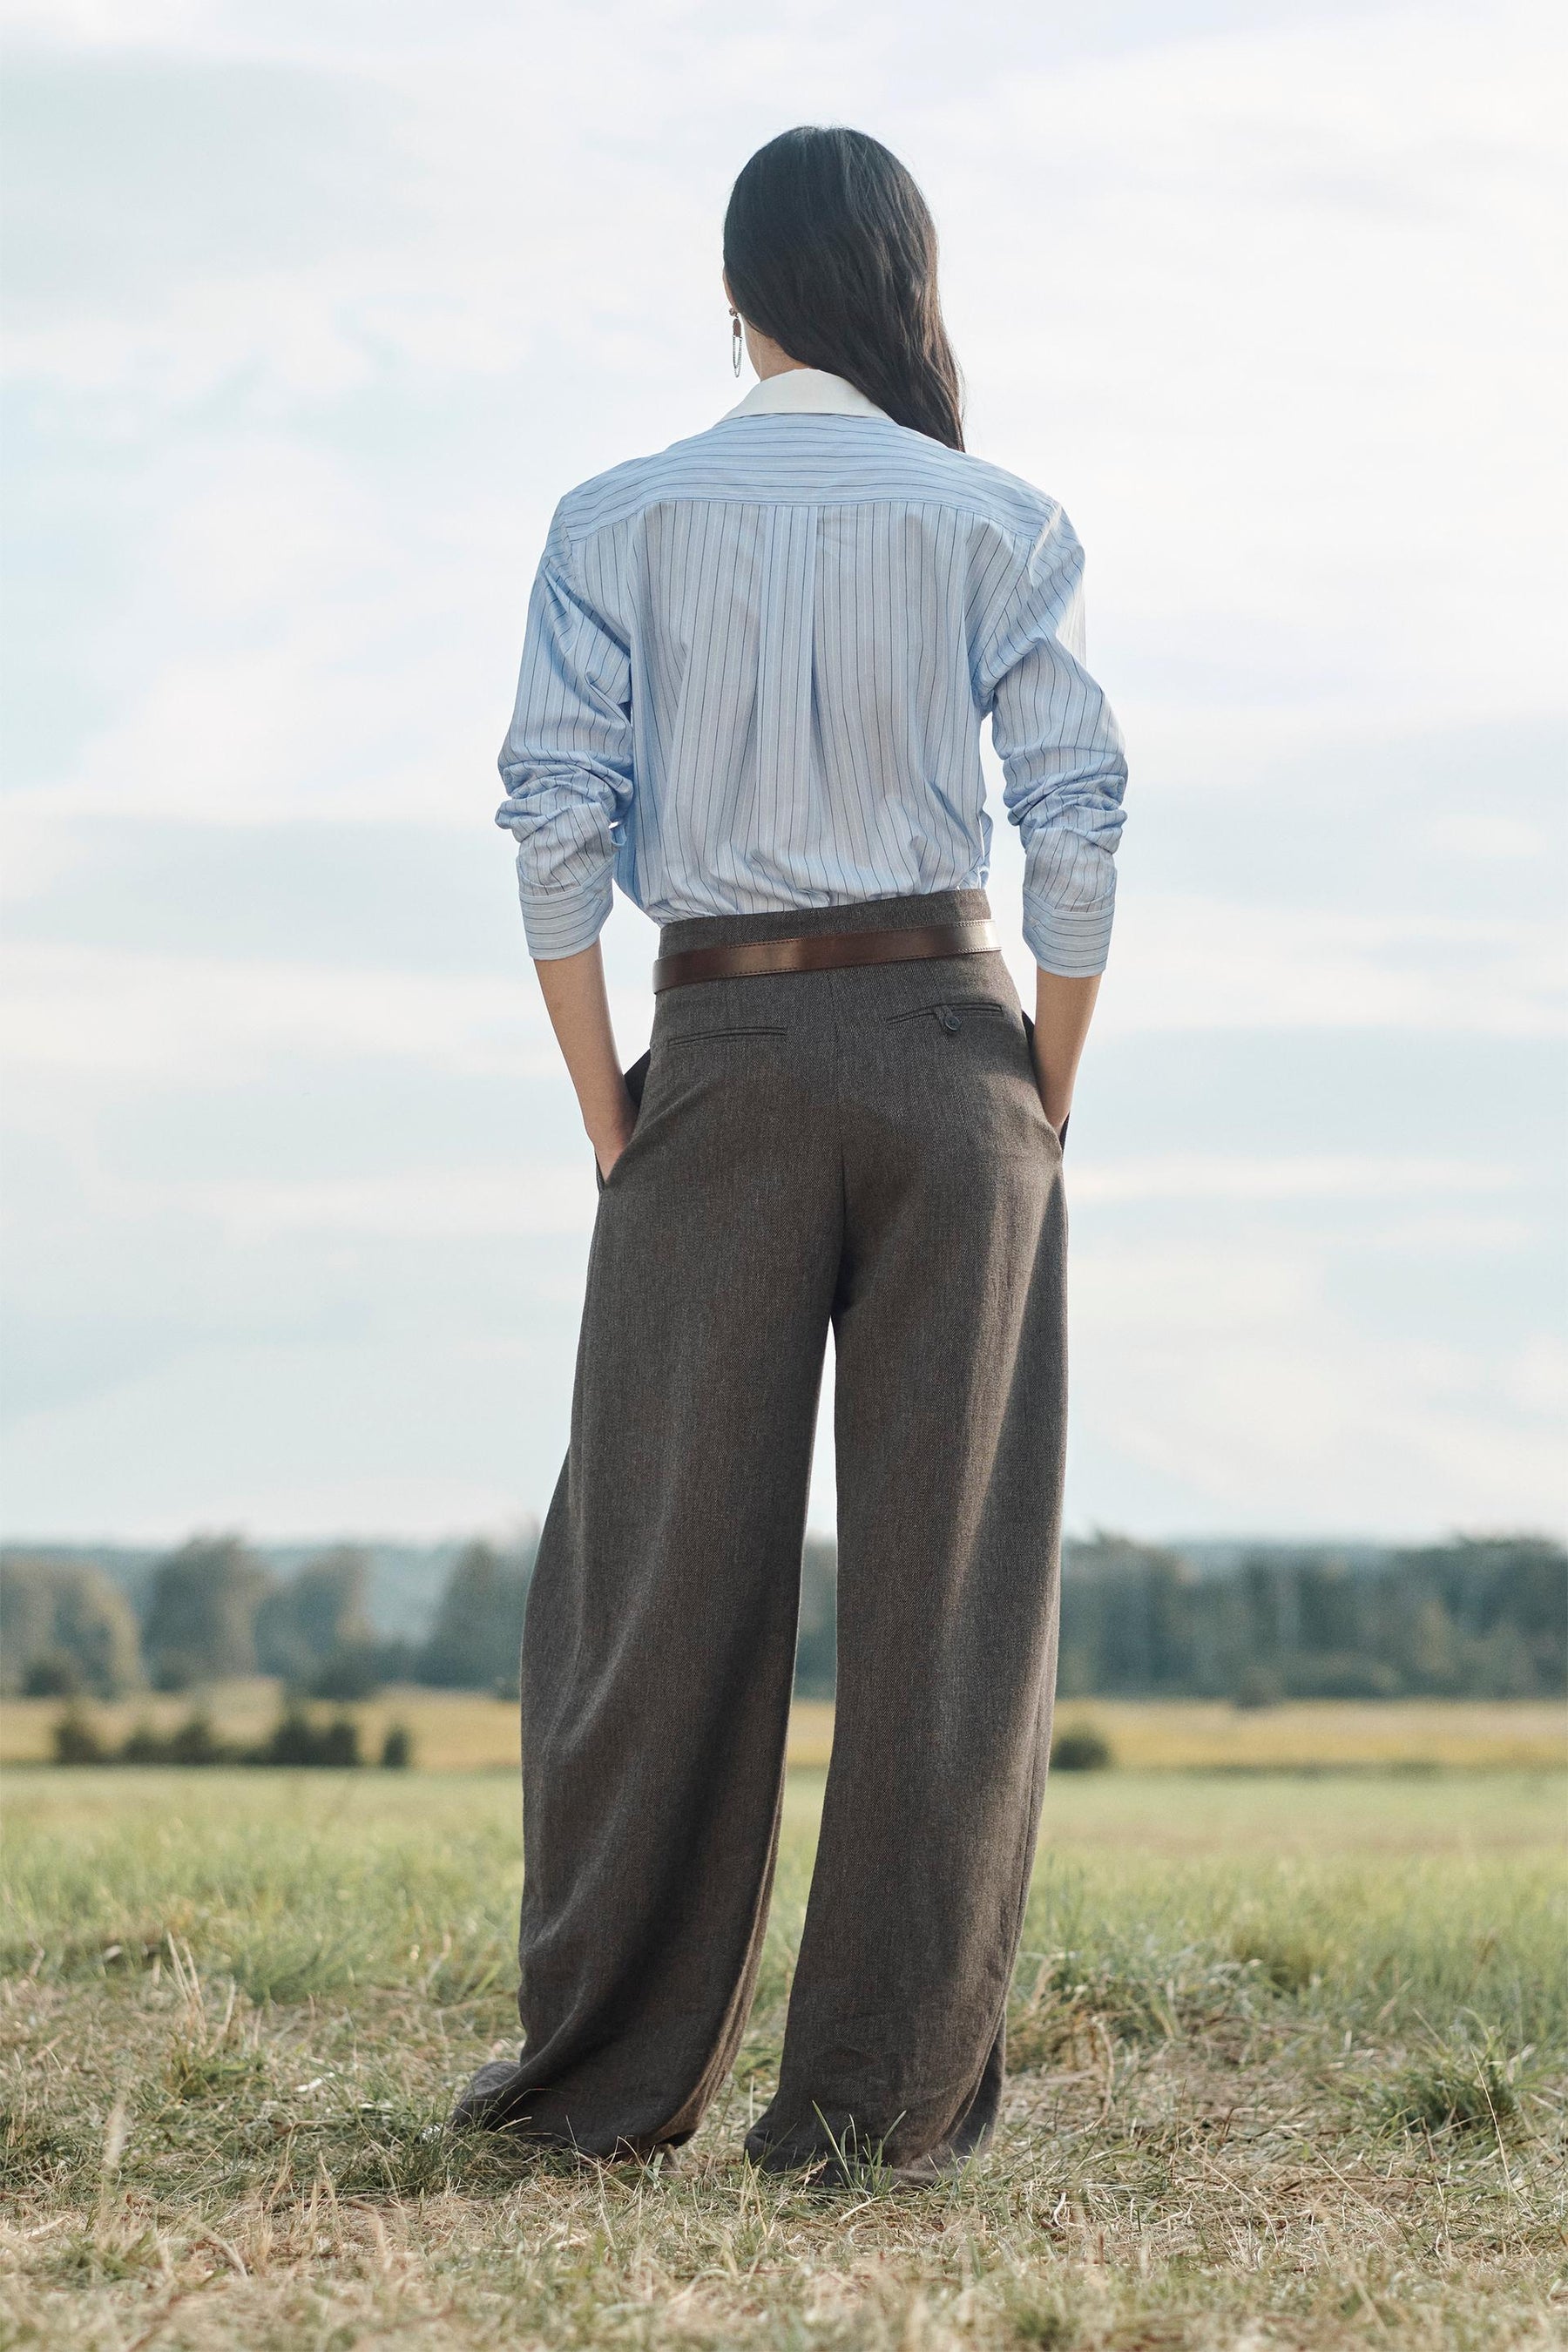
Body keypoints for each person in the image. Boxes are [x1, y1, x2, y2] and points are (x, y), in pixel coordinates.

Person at [454, 125, 1127, 2180]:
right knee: (952, 1606)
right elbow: (1081, 833)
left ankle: (594, 2098)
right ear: (899, 286)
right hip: (956, 1045)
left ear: (738, 293)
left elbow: (556, 834)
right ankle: (873, 2119)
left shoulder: (614, 516)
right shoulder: (1001, 517)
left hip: (715, 1049)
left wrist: (615, 1125)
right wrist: (1037, 1095)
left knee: (652, 1584)